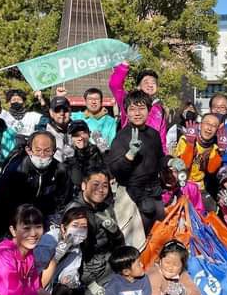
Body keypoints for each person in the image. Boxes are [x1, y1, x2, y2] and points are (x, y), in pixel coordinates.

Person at [63, 169, 125, 295]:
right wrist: (90, 282)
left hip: (110, 267)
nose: (101, 189)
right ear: (84, 185)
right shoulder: (75, 212)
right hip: (88, 277)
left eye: (105, 185)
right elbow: (73, 255)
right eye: (95, 184)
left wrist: (115, 232)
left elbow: (119, 245)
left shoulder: (106, 207)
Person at [0, 131, 72, 245]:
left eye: (47, 151)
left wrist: (52, 224)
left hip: (42, 223)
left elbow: (62, 202)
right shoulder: (16, 169)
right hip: (10, 220)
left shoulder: (60, 171)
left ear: (54, 151)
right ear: (29, 150)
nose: (42, 155)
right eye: (38, 150)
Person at [107, 90, 168, 237]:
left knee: (158, 235)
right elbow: (115, 169)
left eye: (141, 108)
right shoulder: (122, 137)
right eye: (132, 109)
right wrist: (130, 154)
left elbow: (159, 159)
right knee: (136, 240)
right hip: (131, 194)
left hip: (154, 192)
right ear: (126, 113)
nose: (137, 113)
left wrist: (171, 161)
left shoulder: (153, 134)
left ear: (148, 110)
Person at [109, 63, 168, 153]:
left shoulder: (160, 110)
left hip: (150, 158)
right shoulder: (128, 100)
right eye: (146, 82)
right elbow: (115, 85)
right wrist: (124, 65)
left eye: (153, 83)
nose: (150, 85)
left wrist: (165, 159)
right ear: (138, 86)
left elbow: (162, 140)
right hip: (129, 154)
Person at [175, 112, 226, 210]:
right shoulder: (185, 139)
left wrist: (220, 152)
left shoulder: (214, 147)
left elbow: (211, 170)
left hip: (199, 187)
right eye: (207, 123)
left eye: (214, 126)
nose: (209, 128)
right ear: (200, 124)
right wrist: (190, 144)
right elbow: (184, 165)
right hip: (182, 184)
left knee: (211, 209)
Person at [62, 120, 106, 196]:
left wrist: (105, 153)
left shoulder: (96, 151)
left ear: (89, 134)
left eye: (83, 133)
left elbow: (110, 174)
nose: (80, 138)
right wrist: (72, 159)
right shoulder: (69, 153)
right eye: (76, 135)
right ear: (70, 138)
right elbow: (77, 181)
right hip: (75, 196)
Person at [45, 96, 72, 162]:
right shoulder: (44, 133)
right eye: (57, 110)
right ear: (51, 112)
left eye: (65, 110)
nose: (62, 113)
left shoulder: (78, 130)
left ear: (70, 111)